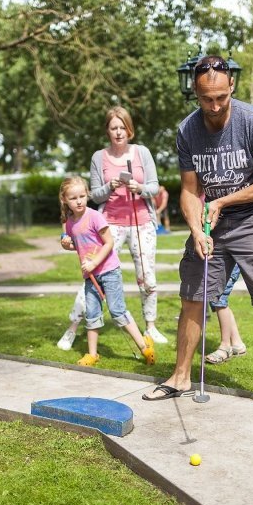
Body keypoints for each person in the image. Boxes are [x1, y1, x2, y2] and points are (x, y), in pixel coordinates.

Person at [141, 55, 253, 429]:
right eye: (207, 98)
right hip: (211, 223)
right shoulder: (187, 131)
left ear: (231, 89)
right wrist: (196, 229)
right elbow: (190, 190)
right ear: (196, 93)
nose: (214, 106)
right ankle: (180, 376)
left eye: (221, 97)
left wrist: (223, 201)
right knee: (192, 294)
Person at [57, 106, 168, 350]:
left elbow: (154, 187)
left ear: (129, 129)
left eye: (122, 127)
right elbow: (94, 195)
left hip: (142, 223)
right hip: (110, 224)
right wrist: (110, 186)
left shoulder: (142, 152)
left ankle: (150, 326)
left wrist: (138, 188)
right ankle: (73, 327)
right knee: (93, 274)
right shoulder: (99, 157)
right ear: (107, 131)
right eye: (113, 128)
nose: (118, 132)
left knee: (147, 277)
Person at [59, 176, 155, 367]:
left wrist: (94, 262)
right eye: (73, 198)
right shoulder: (70, 222)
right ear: (65, 200)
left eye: (81, 196)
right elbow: (79, 246)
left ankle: (144, 346)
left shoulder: (94, 216)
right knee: (92, 314)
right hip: (90, 276)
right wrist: (67, 245)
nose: (78, 201)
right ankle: (92, 354)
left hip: (109, 271)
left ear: (87, 195)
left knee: (118, 311)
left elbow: (109, 243)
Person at [204, 264, 248, 364]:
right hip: (220, 259)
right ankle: (237, 344)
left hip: (229, 258)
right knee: (217, 298)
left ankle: (225, 347)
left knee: (219, 298)